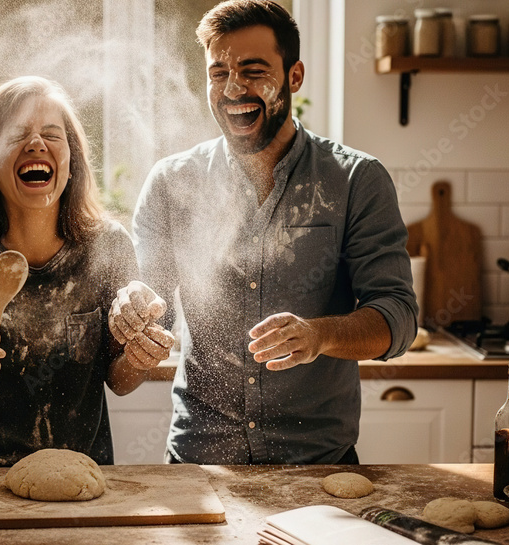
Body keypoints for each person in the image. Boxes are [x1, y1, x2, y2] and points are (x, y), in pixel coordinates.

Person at [109, 0, 418, 465]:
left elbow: (397, 315)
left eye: (253, 71)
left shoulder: (355, 180)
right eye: (218, 73)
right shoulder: (173, 183)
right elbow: (137, 347)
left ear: (294, 77)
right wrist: (134, 315)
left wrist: (319, 335)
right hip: (199, 464)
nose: (234, 88)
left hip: (317, 466)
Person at [0, 76, 174, 467]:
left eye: (52, 134)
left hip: (81, 474)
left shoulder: (109, 247)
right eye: (17, 136)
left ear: (71, 161)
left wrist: (137, 358)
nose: (36, 144)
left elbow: (118, 382)